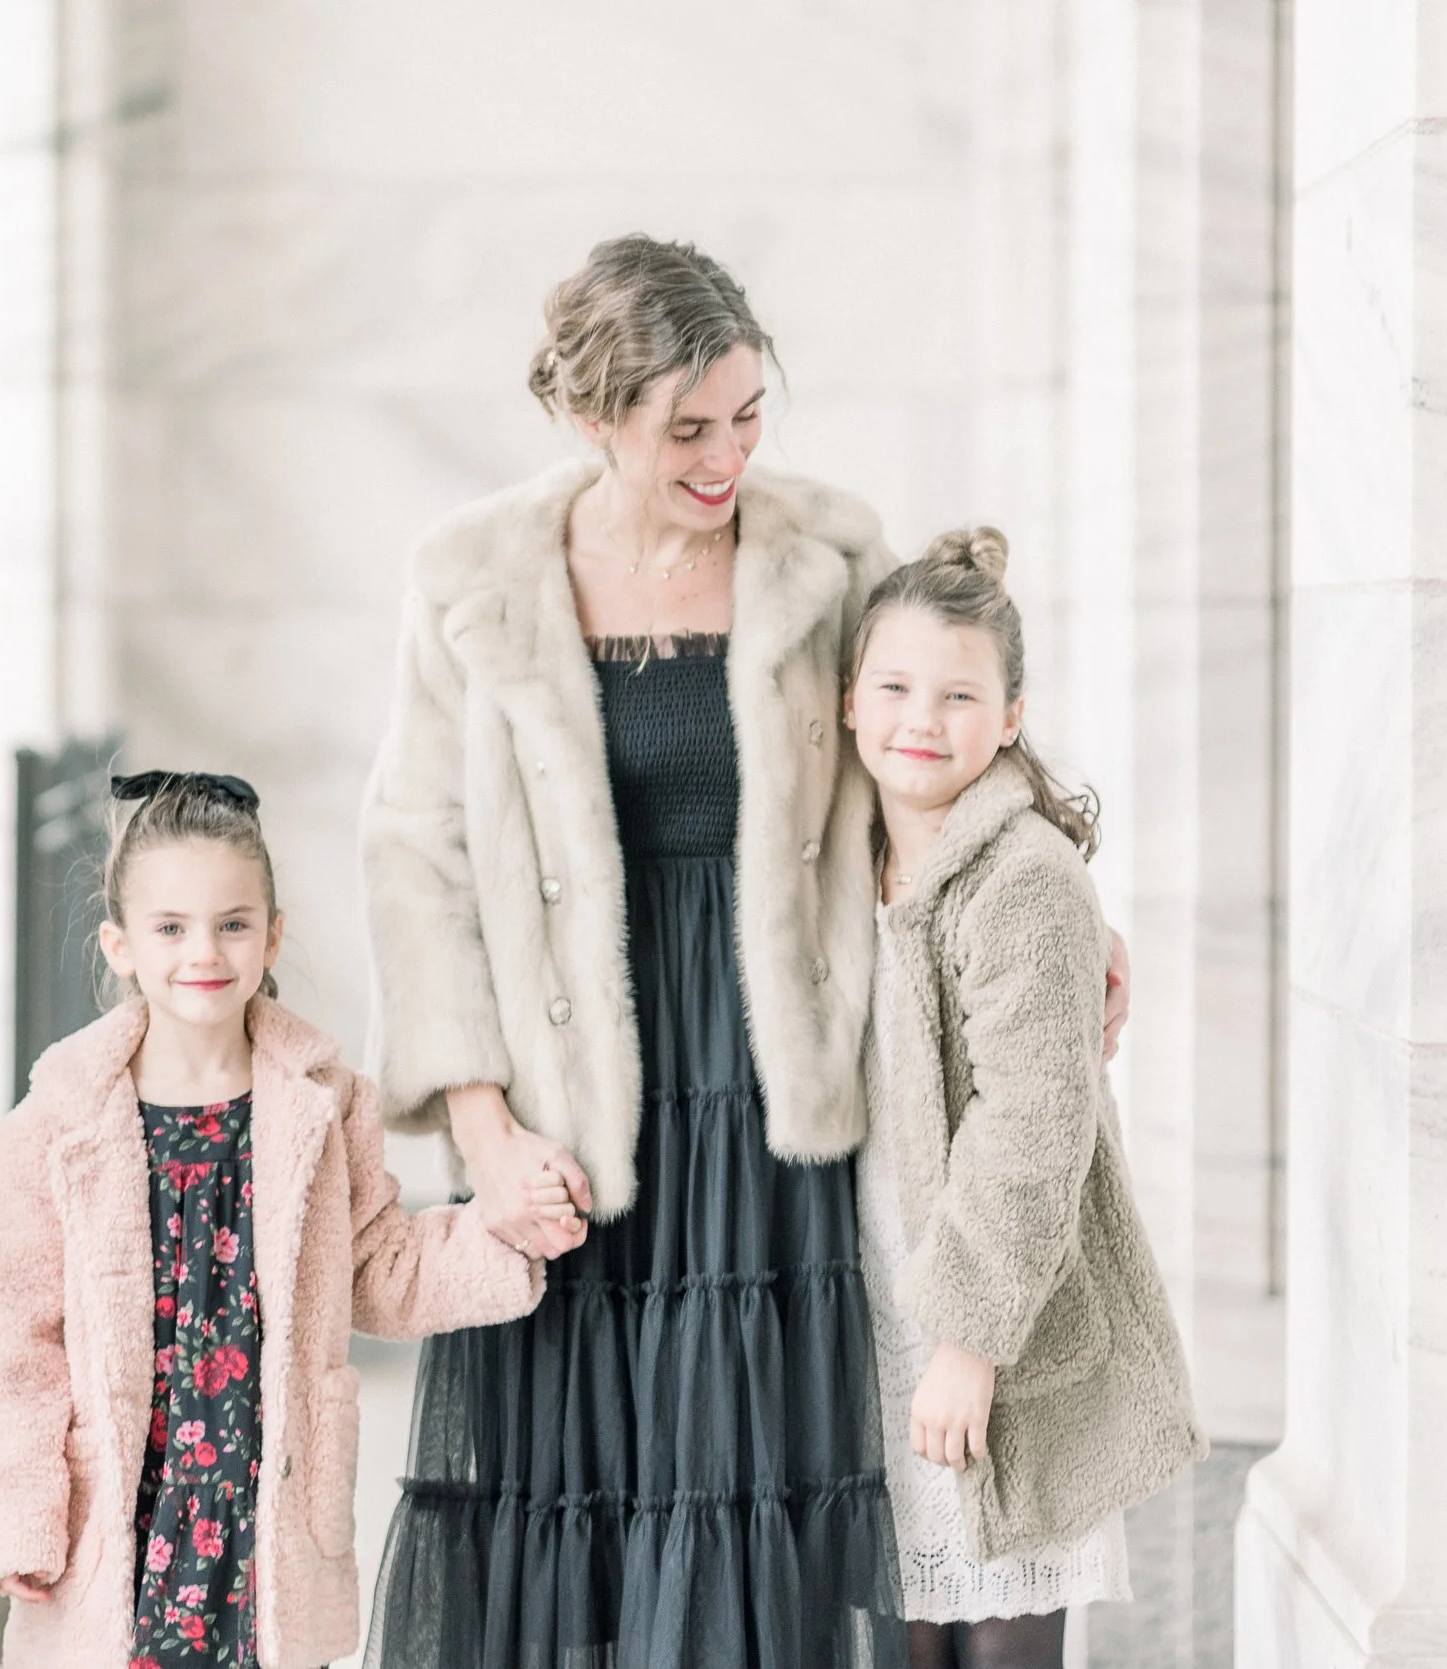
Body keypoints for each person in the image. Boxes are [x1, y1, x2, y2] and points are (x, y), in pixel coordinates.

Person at [357, 234, 1128, 1668]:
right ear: (591, 418)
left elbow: (934, 722)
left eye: (749, 412)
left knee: (748, 1489)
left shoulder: (826, 550)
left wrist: (1058, 880)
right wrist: (483, 1122)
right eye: (687, 428)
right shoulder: (472, 575)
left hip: (784, 1097)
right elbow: (416, 852)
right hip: (566, 1113)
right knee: (575, 1510)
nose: (728, 456)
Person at [0, 771, 547, 1669]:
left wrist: (509, 1230)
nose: (206, 951)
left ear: (272, 936)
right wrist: (15, 1515)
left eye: (232, 923)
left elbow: (379, 1265)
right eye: (171, 927)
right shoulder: (52, 1130)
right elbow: (11, 1342)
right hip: (121, 1520)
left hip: (260, 1514)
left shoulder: (324, 1106)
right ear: (119, 944)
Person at [842, 530, 1206, 1669]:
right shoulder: (847, 863)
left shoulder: (1025, 877)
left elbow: (1033, 1124)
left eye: (958, 695)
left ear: (1009, 716)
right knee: (910, 1629)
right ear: (850, 702)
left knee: (999, 1633)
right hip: (882, 1296)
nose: (921, 717)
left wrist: (971, 1340)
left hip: (995, 1315)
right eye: (895, 687)